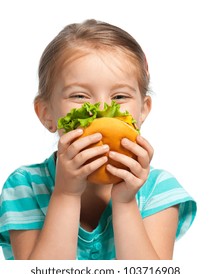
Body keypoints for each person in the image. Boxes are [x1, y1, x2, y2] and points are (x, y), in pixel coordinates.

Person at [0, 19, 196, 260]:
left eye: (120, 96)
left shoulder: (159, 189)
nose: (101, 109)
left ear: (143, 110)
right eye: (80, 95)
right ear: (46, 114)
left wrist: (125, 203)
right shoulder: (24, 187)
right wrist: (66, 194)